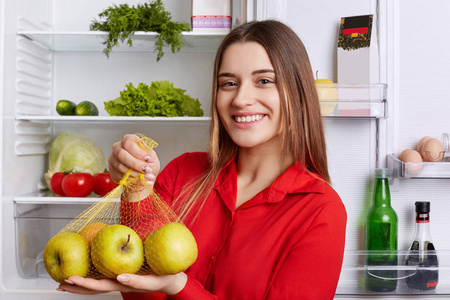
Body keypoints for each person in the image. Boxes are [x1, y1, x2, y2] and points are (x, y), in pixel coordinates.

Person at [58, 19, 347, 299]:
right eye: (229, 83)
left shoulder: (321, 210)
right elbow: (141, 294)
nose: (240, 99)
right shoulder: (183, 173)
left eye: (264, 80)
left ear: (298, 95)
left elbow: (165, 287)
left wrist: (179, 286)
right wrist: (136, 190)